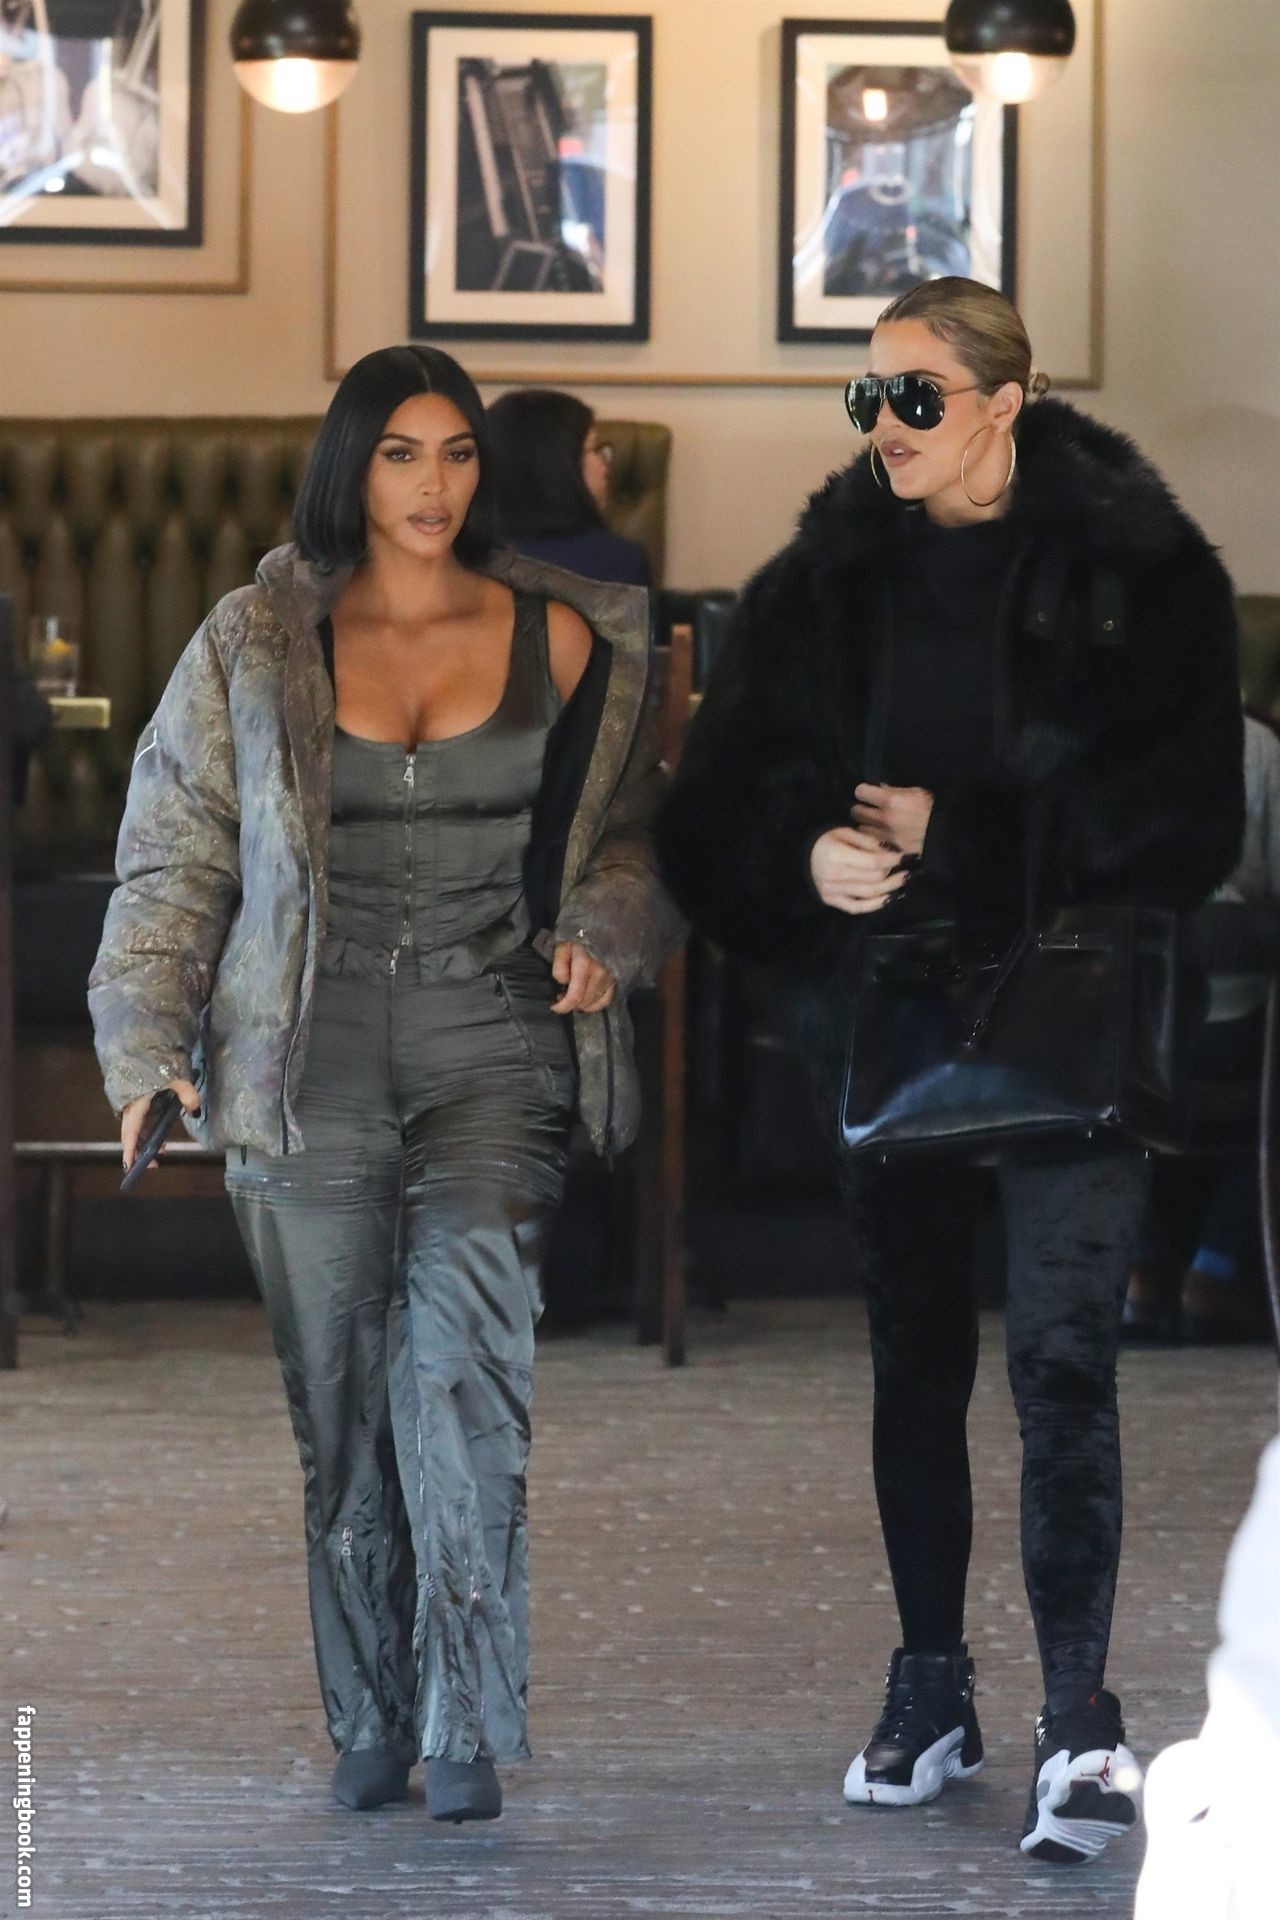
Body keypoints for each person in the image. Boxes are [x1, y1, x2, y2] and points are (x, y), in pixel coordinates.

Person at [655, 277, 1243, 1865]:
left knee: (1064, 1367)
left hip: (1076, 1015)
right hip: (893, 1016)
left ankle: (1079, 1720)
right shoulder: (823, 585)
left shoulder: (1141, 573)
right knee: (913, 1363)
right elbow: (713, 816)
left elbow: (1190, 820)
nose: (886, 426)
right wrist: (806, 859)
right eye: (868, 396)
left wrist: (964, 838)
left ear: (1007, 402)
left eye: (916, 395)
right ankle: (929, 1685)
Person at [89, 344, 679, 1822]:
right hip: (305, 1052)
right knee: (342, 1396)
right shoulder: (254, 637)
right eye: (403, 453)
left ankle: (465, 1719)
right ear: (351, 464)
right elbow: (175, 854)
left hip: (494, 1039)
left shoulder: (563, 636)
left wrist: (604, 931)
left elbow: (629, 841)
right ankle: (369, 1708)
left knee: (464, 1375)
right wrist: (147, 1050)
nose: (434, 484)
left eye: (458, 453)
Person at [1124, 712, 1280, 1344]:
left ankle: (1139, 1269)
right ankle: (1215, 1270)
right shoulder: (1255, 745)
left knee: (1120, 1095)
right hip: (1234, 1024)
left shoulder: (1100, 734)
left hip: (1113, 1024)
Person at [485, 387, 653, 587]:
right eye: (594, 449)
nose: (605, 463)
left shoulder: (461, 555)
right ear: (558, 463)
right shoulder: (621, 560)